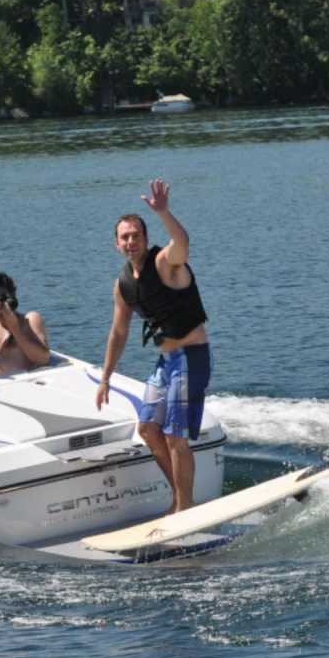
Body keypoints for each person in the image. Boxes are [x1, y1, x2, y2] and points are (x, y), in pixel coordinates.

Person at [95, 178, 210, 514]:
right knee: (147, 428)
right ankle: (179, 497)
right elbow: (118, 333)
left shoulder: (165, 262)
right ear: (116, 244)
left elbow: (183, 243)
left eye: (136, 235)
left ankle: (183, 508)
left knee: (175, 436)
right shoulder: (123, 285)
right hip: (167, 360)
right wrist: (104, 379)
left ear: (145, 238)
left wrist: (163, 212)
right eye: (124, 237)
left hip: (191, 356)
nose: (131, 241)